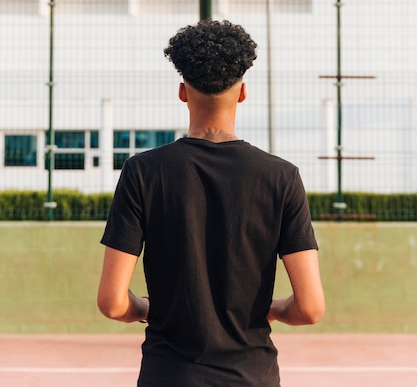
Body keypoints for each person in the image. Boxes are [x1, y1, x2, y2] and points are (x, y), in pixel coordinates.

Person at [97, 19, 325, 387]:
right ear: (243, 92)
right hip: (252, 375)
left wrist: (144, 307)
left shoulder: (142, 172)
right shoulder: (281, 177)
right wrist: (275, 308)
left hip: (168, 375)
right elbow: (310, 308)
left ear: (182, 92)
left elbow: (112, 303)